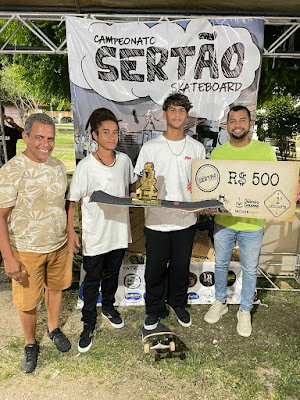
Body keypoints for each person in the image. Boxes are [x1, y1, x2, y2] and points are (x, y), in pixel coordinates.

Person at [0, 113, 72, 374]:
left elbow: (63, 203)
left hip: (58, 245)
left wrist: (69, 234)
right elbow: (1, 216)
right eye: (39, 137)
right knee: (28, 302)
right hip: (26, 249)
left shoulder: (58, 166)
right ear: (26, 137)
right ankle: (30, 344)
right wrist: (8, 257)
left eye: (50, 138)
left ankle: (53, 328)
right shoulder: (11, 171)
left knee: (55, 289)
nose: (46, 144)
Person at [204, 105, 277, 337]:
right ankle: (220, 301)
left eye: (242, 120)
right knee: (221, 264)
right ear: (226, 125)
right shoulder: (218, 153)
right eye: (233, 120)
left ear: (250, 124)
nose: (237, 125)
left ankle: (244, 310)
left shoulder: (265, 152)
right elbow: (210, 187)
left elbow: (275, 184)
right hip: (224, 221)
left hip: (253, 224)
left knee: (249, 269)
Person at [134, 92, 206, 330]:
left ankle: (178, 304)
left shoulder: (196, 148)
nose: (177, 115)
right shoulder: (150, 147)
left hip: (185, 221)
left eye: (182, 111)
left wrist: (197, 187)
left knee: (180, 269)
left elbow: (203, 186)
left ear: (187, 116)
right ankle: (154, 309)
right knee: (154, 269)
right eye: (172, 110)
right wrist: (141, 188)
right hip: (156, 221)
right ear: (164, 114)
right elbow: (138, 184)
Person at [67, 108, 136, 353]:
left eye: (115, 132)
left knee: (111, 274)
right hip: (96, 234)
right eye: (105, 132)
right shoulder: (86, 166)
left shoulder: (125, 161)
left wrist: (141, 189)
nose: (111, 136)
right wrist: (72, 231)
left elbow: (132, 184)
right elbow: (72, 200)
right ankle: (88, 323)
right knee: (92, 279)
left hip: (118, 231)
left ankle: (108, 306)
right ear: (95, 135)